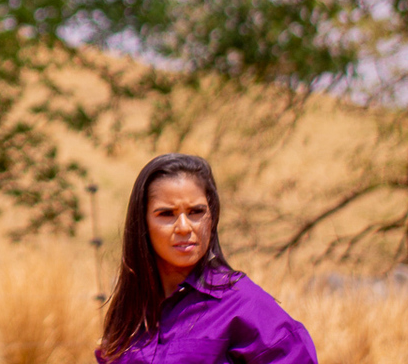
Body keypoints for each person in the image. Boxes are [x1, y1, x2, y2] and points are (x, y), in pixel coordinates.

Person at [95, 153, 317, 364]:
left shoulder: (243, 304)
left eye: (196, 212)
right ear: (142, 223)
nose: (184, 227)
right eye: (166, 214)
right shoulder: (130, 314)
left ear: (212, 217)